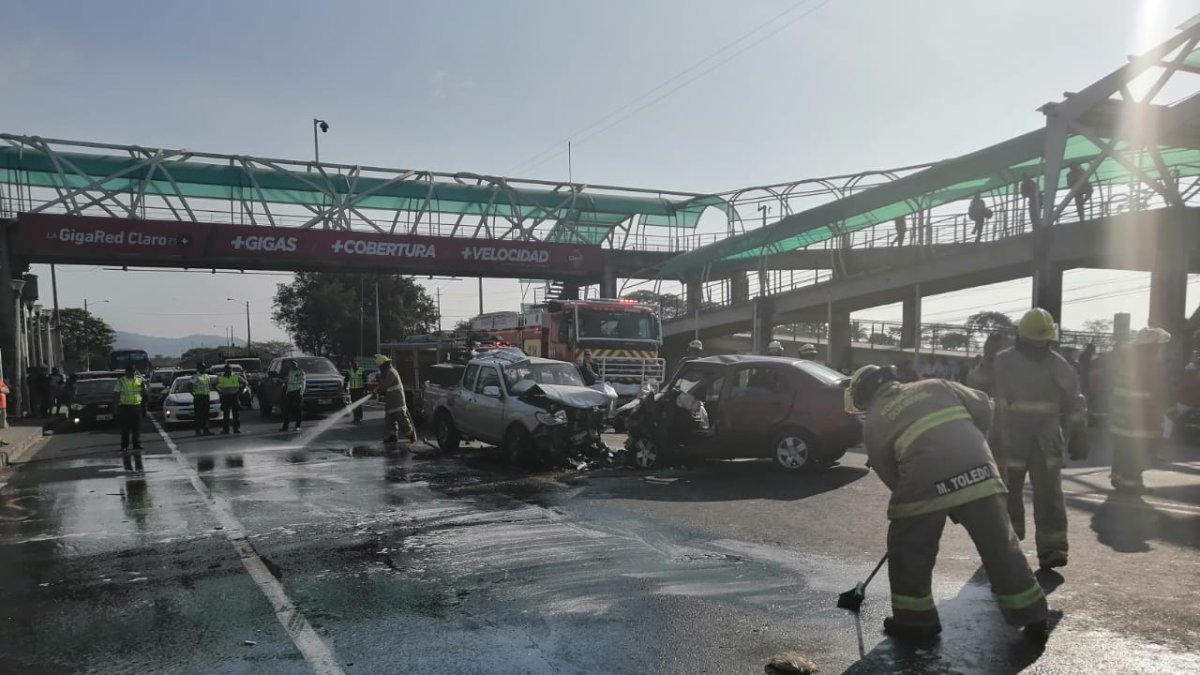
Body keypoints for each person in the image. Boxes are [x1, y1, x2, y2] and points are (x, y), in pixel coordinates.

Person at [845, 365, 1049, 641]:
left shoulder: (873, 424)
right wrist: (966, 440)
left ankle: (915, 621)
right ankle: (1033, 613)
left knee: (908, 547)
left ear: (864, 395)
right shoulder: (936, 385)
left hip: (924, 481)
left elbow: (890, 474)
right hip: (980, 469)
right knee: (1001, 545)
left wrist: (920, 506)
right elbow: (984, 409)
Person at [993, 308, 1088, 570]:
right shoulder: (1001, 361)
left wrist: (1079, 430)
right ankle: (1008, 544)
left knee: (1049, 495)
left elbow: (1074, 399)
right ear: (1021, 338)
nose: (1039, 347)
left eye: (1042, 343)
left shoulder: (1057, 363)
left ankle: (1053, 548)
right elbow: (979, 389)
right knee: (1007, 493)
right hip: (1011, 438)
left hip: (1041, 440)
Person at [1109, 327, 1171, 492]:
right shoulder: (1150, 364)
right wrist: (1170, 410)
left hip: (1122, 417)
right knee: (1139, 450)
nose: (1160, 349)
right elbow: (1159, 392)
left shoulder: (1129, 360)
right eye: (1158, 345)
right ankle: (1132, 485)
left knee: (1123, 448)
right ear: (1151, 346)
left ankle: (1117, 477)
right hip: (1142, 418)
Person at [375, 354, 417, 445]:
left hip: (397, 401)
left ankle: (411, 436)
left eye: (380, 366)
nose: (380, 368)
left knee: (402, 420)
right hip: (390, 401)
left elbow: (385, 385)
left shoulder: (391, 372)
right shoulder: (387, 373)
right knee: (389, 420)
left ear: (384, 365)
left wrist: (376, 390)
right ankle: (393, 436)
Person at [117, 365, 146, 472]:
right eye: (130, 372)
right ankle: (124, 445)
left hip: (136, 405)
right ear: (126, 372)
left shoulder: (139, 380)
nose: (132, 373)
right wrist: (116, 406)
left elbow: (143, 392)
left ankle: (136, 444)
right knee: (125, 428)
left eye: (134, 372)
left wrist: (143, 387)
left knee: (137, 426)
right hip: (125, 406)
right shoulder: (121, 381)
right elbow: (116, 393)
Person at [279, 359, 306, 432]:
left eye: (294, 364)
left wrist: (301, 393)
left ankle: (298, 426)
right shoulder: (290, 371)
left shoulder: (300, 371)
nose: (292, 365)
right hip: (290, 391)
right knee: (287, 409)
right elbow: (289, 382)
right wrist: (287, 391)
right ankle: (285, 427)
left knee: (298, 409)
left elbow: (303, 382)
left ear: (296, 364)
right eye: (291, 364)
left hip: (297, 391)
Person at [216, 364, 244, 435]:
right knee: (226, 414)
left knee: (236, 414)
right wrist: (220, 391)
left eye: (230, 369)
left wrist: (240, 392)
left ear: (231, 370)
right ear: (224, 370)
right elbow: (214, 384)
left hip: (234, 397)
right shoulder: (221, 377)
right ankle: (226, 429)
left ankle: (236, 429)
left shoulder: (236, 376)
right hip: (225, 397)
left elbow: (244, 383)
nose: (228, 370)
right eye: (227, 369)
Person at [192, 364, 214, 436]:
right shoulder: (195, 376)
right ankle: (198, 431)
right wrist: (193, 394)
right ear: (198, 369)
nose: (204, 369)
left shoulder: (206, 376)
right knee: (198, 416)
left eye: (204, 368)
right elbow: (189, 386)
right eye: (202, 368)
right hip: (198, 398)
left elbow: (209, 385)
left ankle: (206, 430)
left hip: (206, 397)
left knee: (206, 415)